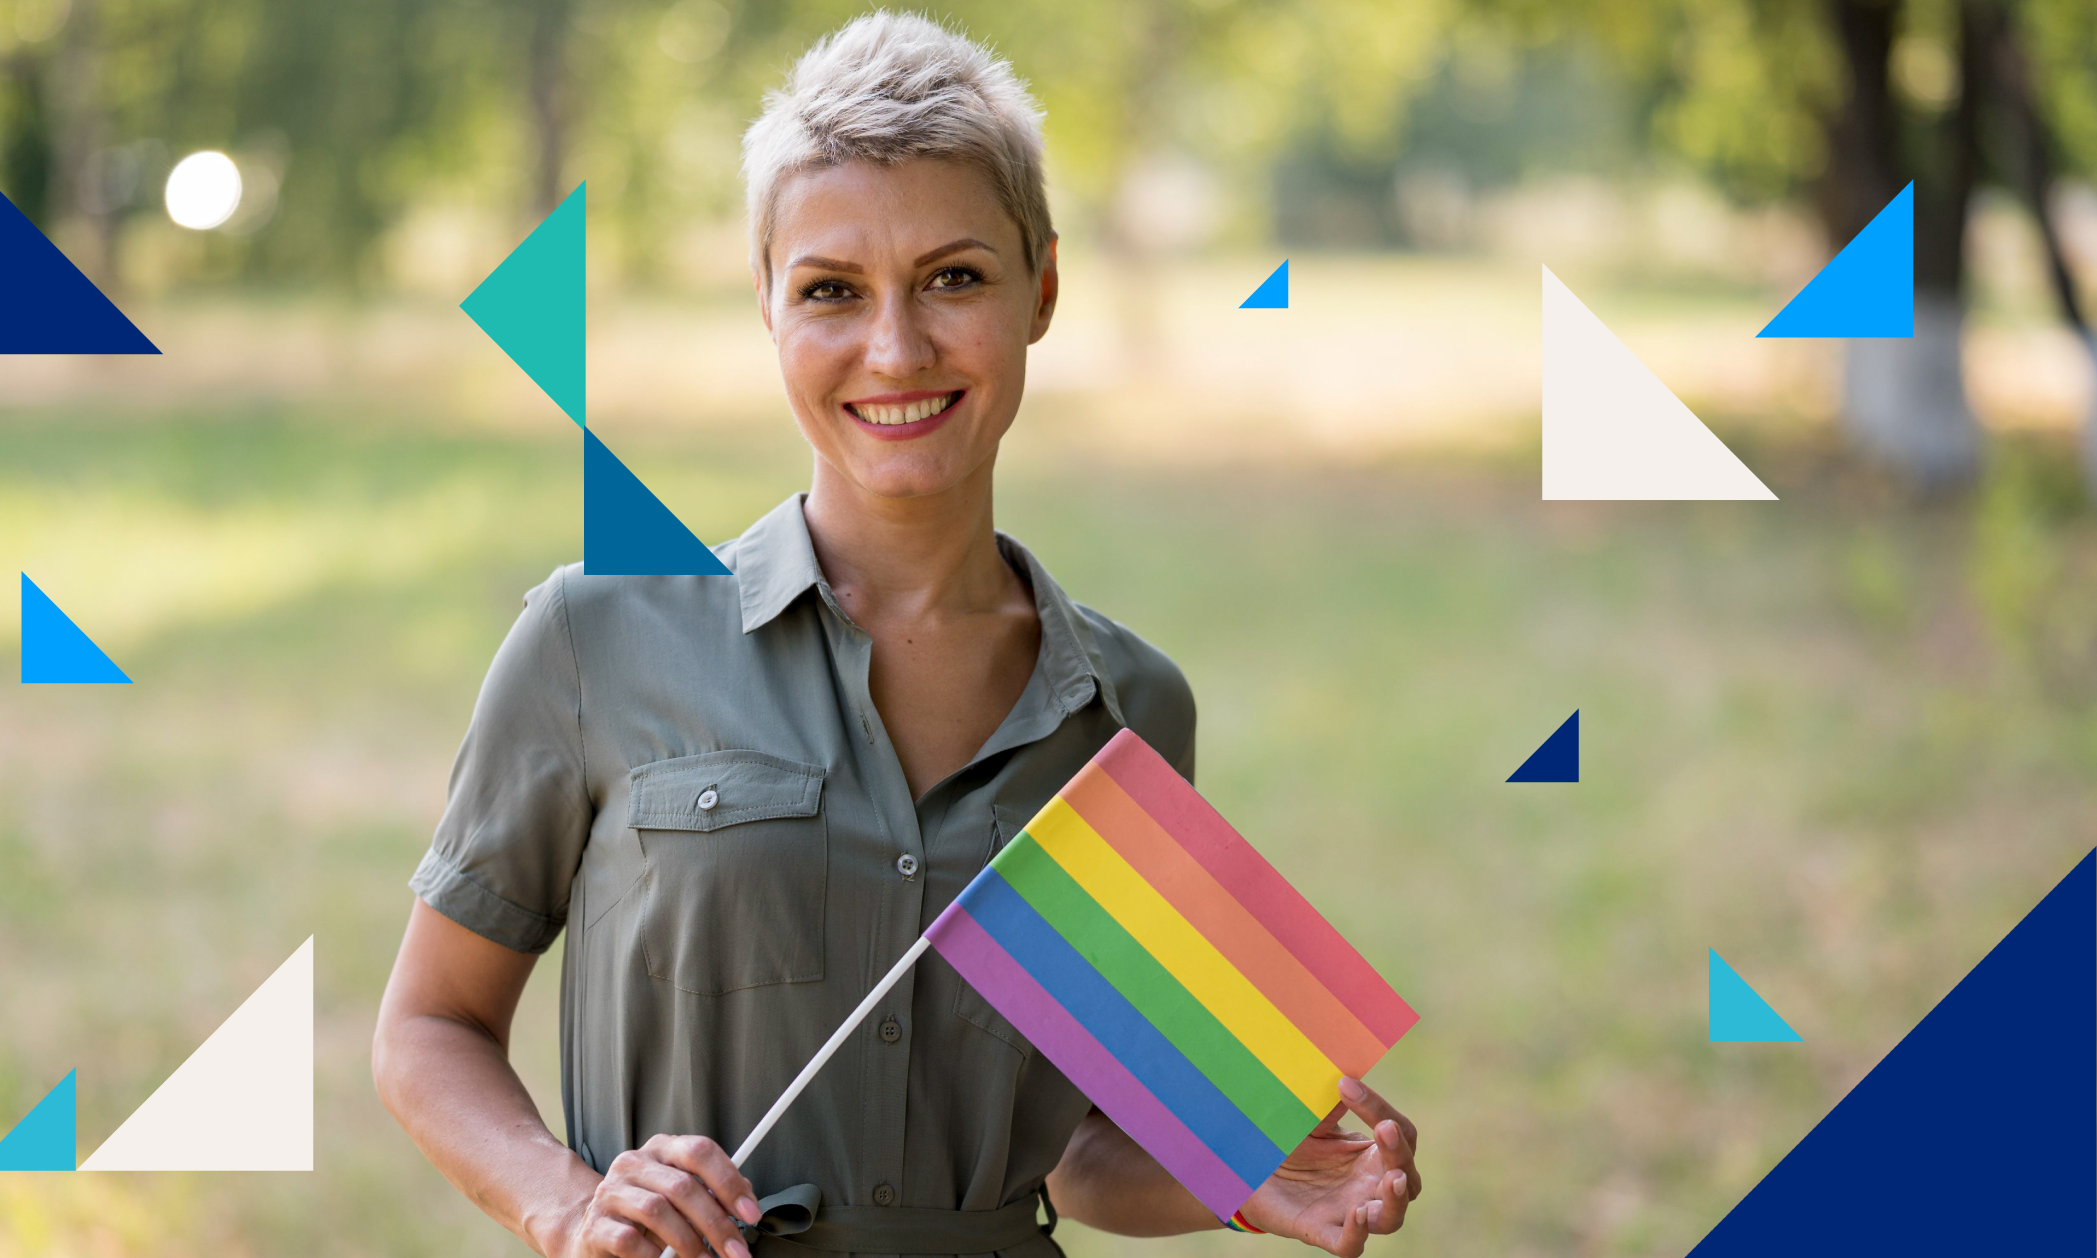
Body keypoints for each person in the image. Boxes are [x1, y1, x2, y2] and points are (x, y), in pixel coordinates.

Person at [372, 12, 1422, 1257]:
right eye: (831, 290)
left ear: (1040, 289)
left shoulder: (1132, 706)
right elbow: (429, 1026)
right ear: (767, 306)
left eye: (954, 277)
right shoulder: (592, 637)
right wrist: (564, 1201)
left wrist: (1243, 1176)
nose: (896, 347)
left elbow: (1077, 1145)